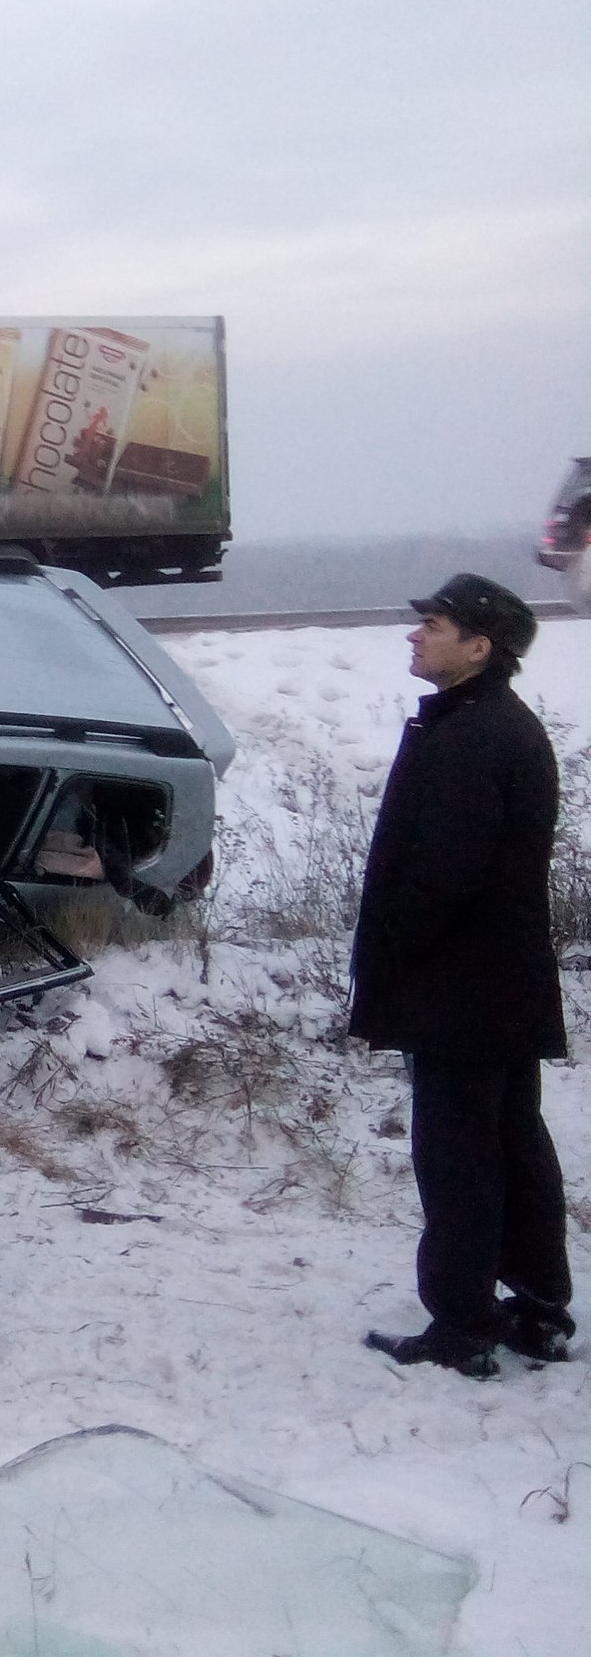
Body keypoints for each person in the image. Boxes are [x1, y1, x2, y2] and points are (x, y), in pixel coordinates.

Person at [354, 575, 569, 1379]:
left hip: (459, 991)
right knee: (512, 1143)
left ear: (480, 647)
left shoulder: (474, 737)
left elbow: (444, 872)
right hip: (499, 984)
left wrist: (390, 954)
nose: (416, 637)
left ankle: (463, 1325)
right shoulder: (492, 727)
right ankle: (540, 1308)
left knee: (459, 1158)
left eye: (433, 625)